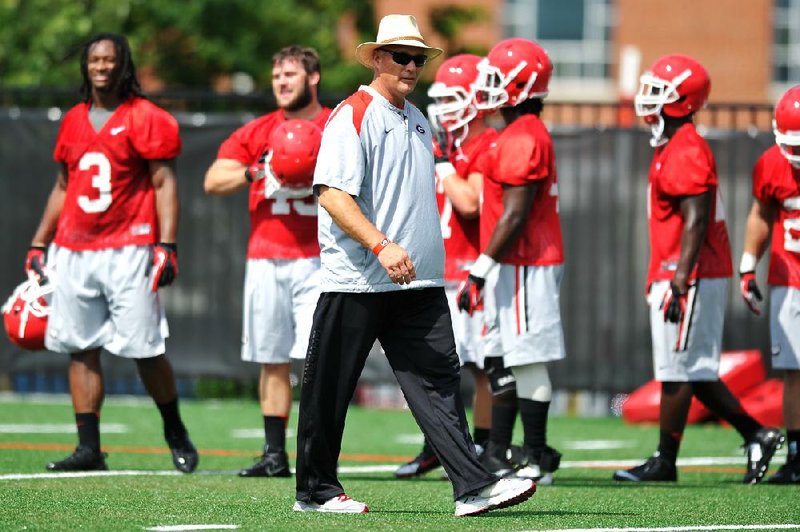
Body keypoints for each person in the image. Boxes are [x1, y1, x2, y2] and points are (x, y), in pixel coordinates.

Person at [292, 14, 536, 516]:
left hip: (418, 284)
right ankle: (314, 491)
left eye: (418, 58)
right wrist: (382, 245)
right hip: (358, 280)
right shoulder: (352, 114)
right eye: (401, 56)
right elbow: (333, 196)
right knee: (331, 388)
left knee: (439, 386)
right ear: (377, 58)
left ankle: (471, 486)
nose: (411, 66)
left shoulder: (419, 119)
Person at [25, 32, 197, 473]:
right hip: (75, 248)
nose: (101, 67)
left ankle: (174, 429)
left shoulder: (146, 117)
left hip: (129, 247)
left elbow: (164, 184)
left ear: (124, 66)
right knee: (80, 348)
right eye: (94, 60)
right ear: (86, 66)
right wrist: (40, 240)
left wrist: (167, 244)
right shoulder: (74, 120)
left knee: (145, 348)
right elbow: (64, 187)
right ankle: (89, 448)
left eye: (109, 60)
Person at [612, 54, 783, 484]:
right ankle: (757, 434)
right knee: (694, 369)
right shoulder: (674, 144)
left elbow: (697, 219)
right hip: (686, 271)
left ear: (683, 100)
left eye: (659, 91)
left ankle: (665, 461)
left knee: (677, 369)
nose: (648, 97)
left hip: (691, 273)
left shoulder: (687, 147)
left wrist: (679, 277)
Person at [204, 46, 331, 478]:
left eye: (290, 74)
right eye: (276, 74)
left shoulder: (337, 125)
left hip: (320, 258)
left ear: (313, 78)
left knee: (317, 362)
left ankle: (316, 453)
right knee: (271, 357)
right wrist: (257, 172)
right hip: (266, 256)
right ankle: (275, 454)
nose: (281, 82)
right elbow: (213, 178)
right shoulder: (259, 131)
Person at [458, 38, 565, 485]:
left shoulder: (525, 137)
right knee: (501, 357)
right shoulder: (514, 134)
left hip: (524, 261)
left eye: (496, 78)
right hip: (513, 262)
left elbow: (516, 214)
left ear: (522, 83)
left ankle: (537, 455)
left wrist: (480, 268)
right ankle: (501, 452)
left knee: (526, 360)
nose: (488, 86)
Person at [394, 53, 495, 479]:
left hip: (472, 269)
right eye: (442, 98)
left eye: (455, 98)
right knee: (434, 363)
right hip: (439, 267)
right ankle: (438, 443)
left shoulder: (485, 145)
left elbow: (470, 204)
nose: (444, 108)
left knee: (479, 362)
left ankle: (489, 445)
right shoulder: (443, 145)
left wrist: (443, 163)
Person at [739, 85, 800, 484]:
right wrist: (747, 266)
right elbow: (761, 214)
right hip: (789, 278)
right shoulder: (771, 164)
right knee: (794, 371)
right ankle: (797, 456)